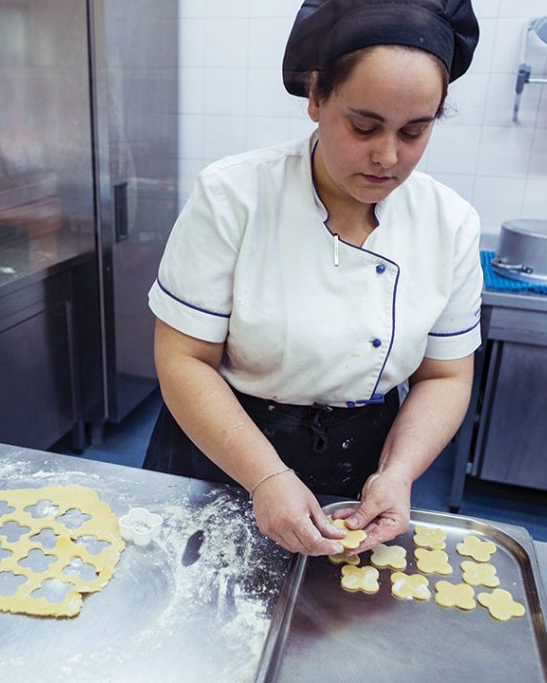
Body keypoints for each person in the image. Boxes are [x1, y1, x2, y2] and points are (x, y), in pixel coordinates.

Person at [144, 0, 482, 558]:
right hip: (221, 449)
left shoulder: (451, 224)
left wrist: (398, 472)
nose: (387, 157)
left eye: (415, 132)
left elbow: (445, 376)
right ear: (317, 97)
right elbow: (182, 359)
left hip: (361, 466)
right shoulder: (234, 196)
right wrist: (266, 477)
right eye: (364, 125)